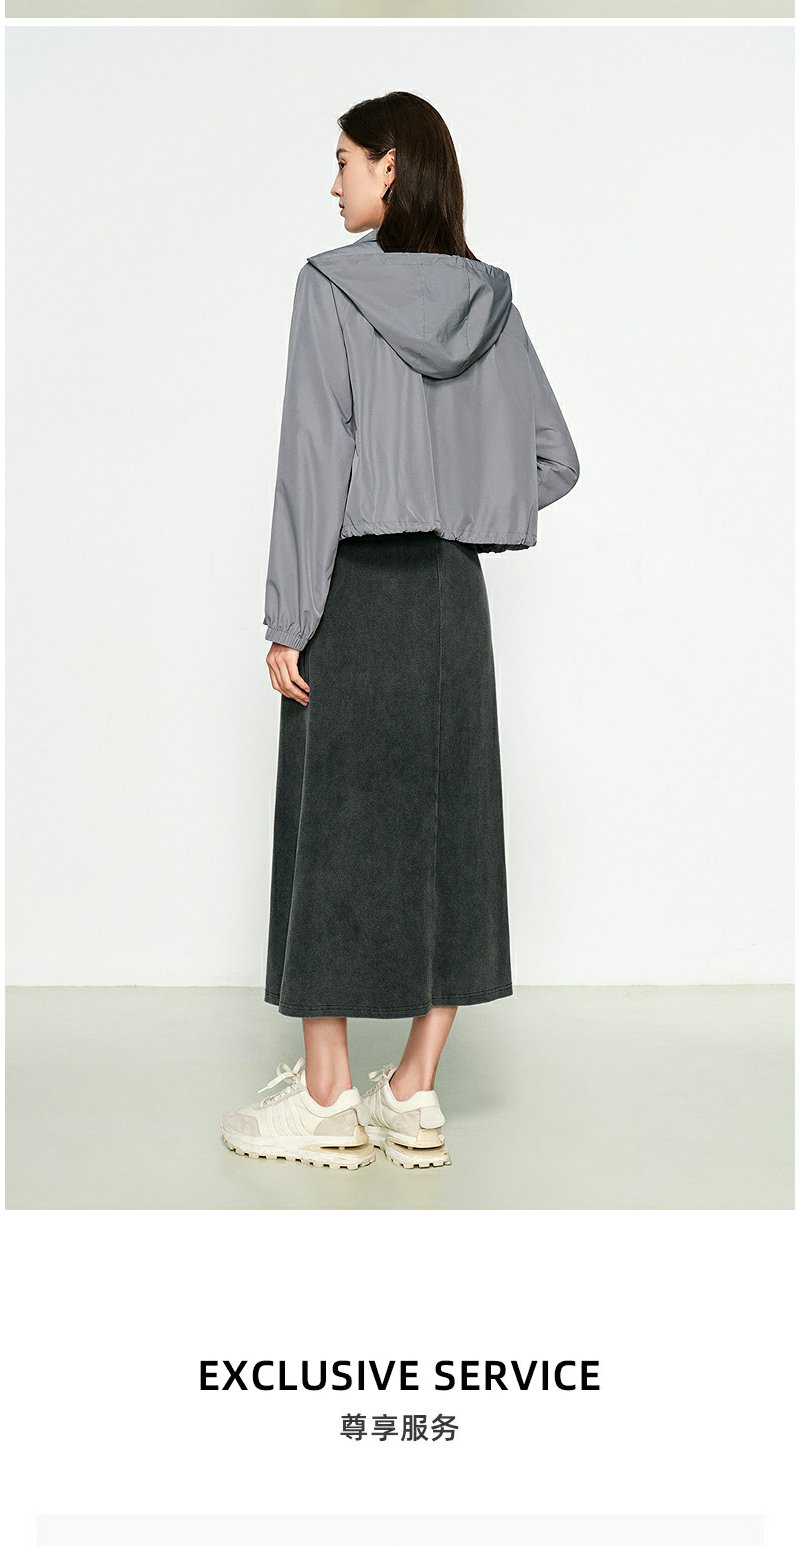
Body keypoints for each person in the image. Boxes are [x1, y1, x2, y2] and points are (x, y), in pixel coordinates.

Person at [221, 91, 579, 1173]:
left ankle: (327, 1096)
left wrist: (289, 617)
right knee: (452, 828)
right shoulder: (490, 299)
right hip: (451, 598)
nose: (332, 182)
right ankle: (414, 1092)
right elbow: (555, 460)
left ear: (389, 165)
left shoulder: (329, 285)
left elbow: (312, 462)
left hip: (357, 592)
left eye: (342, 160)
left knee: (327, 827)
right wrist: (463, 505)